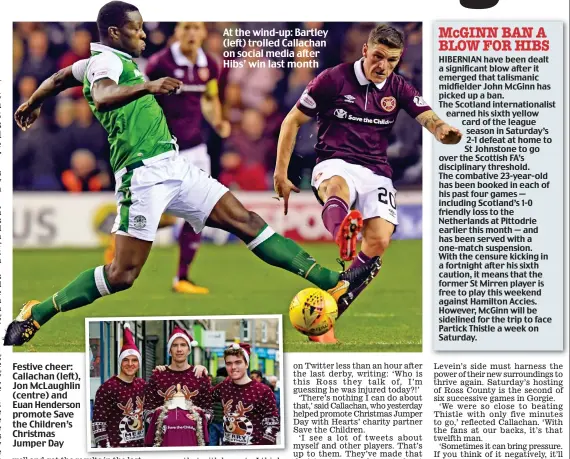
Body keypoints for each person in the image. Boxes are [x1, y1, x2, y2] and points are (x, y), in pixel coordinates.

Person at [4, 1, 380, 346]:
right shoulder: (108, 66)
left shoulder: (98, 61)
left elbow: (60, 77)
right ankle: (37, 313)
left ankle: (334, 282)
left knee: (244, 220)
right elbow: (102, 96)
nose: (144, 34)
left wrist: (33, 102)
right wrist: (148, 86)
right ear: (115, 33)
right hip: (141, 175)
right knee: (122, 275)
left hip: (174, 165)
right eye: (136, 29)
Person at [274, 24, 462, 343]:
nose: (383, 66)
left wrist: (442, 130)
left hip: (376, 170)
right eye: (378, 57)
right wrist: (281, 172)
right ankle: (342, 234)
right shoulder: (332, 79)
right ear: (365, 50)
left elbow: (427, 114)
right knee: (337, 187)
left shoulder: (398, 86)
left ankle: (327, 314)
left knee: (378, 244)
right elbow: (292, 120)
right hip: (335, 159)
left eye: (391, 60)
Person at [139, 21, 231, 294]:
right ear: (177, 32)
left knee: (199, 211)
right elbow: (144, 101)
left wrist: (218, 121)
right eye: (186, 27)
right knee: (157, 209)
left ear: (204, 33)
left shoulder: (210, 65)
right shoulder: (159, 64)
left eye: (197, 28)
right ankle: (121, 240)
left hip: (195, 148)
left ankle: (182, 278)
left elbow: (209, 97)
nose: (192, 33)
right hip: (163, 149)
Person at [212, 343, 279, 445]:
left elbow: (272, 425)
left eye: (238, 362)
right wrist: (200, 372)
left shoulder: (263, 391)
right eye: (229, 363)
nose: (233, 367)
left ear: (246, 364)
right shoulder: (223, 387)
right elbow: (202, 397)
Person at [92, 324, 146, 448]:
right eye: (126, 360)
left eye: (134, 360)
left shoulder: (142, 385)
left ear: (139, 364)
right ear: (120, 362)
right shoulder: (107, 388)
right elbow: (98, 423)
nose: (130, 364)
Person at [144, 326, 212, 418]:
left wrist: (194, 420)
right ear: (169, 350)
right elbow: (148, 410)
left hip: (192, 431)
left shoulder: (200, 376)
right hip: (164, 431)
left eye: (183, 345)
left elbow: (209, 411)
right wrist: (164, 421)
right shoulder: (158, 376)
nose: (179, 349)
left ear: (188, 350)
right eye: (175, 345)